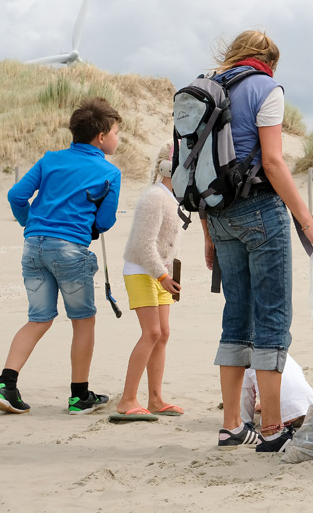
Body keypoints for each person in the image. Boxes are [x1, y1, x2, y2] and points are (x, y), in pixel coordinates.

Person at [200, 30, 313, 453]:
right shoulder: (265, 87)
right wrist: (308, 222)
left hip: (217, 213)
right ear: (269, 61)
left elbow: (194, 165)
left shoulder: (204, 88)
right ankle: (273, 428)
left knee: (235, 315)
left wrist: (208, 233)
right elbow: (273, 162)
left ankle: (231, 426)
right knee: (272, 316)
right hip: (259, 210)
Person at [0, 97, 122, 416]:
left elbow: (16, 195)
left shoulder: (50, 159)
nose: (117, 138)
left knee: (38, 318)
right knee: (83, 321)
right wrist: (90, 225)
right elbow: (105, 222)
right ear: (101, 137)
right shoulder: (109, 172)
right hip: (70, 251)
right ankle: (79, 396)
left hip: (33, 247)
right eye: (116, 133)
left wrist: (31, 223)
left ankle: (5, 384)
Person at [113, 142, 183, 422]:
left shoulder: (173, 198)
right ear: (169, 167)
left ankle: (155, 399)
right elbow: (143, 245)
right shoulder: (154, 196)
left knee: (163, 333)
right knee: (151, 333)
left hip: (160, 273)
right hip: (142, 270)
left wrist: (167, 275)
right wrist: (163, 275)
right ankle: (127, 399)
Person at [241, 355, 313, 430]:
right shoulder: (283, 352)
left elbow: (247, 397)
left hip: (282, 420)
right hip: (310, 410)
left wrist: (246, 421)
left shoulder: (247, 359)